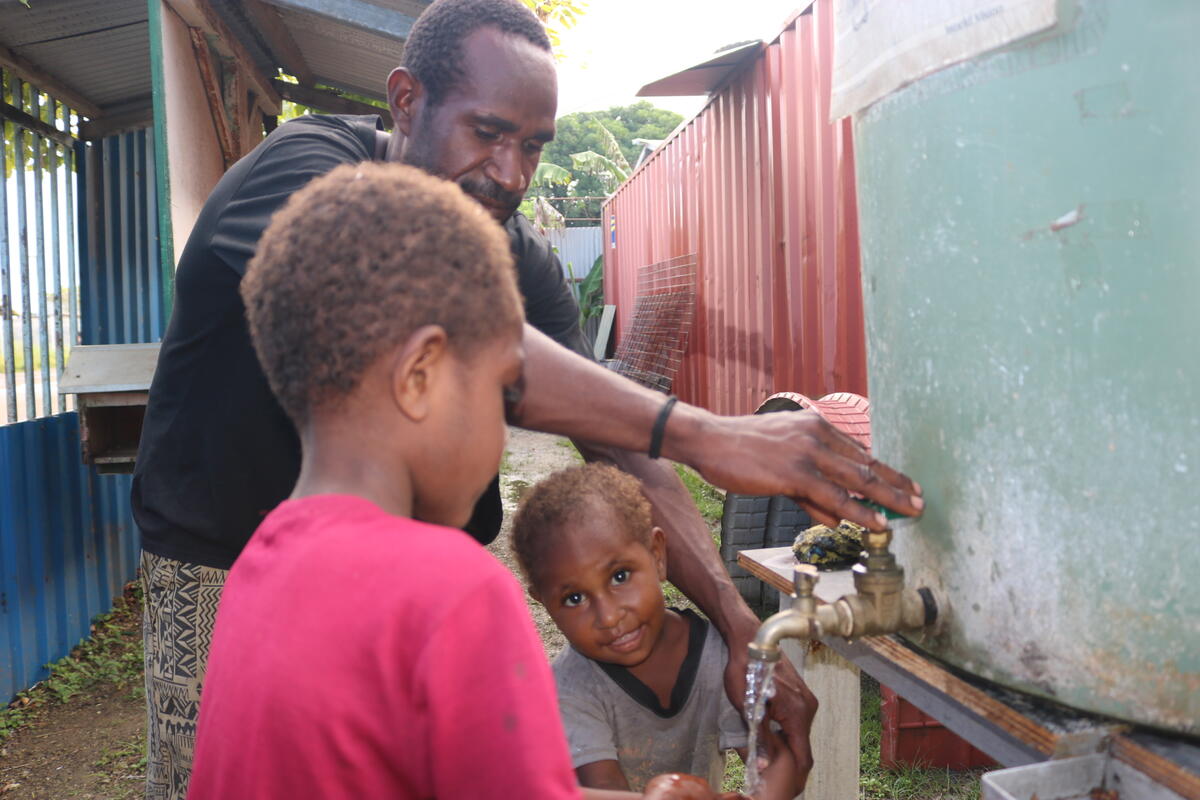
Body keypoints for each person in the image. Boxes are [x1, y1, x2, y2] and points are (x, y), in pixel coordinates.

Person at [133, 0, 923, 795]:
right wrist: (700, 432)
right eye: (487, 133)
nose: (512, 174)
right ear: (407, 101)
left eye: (535, 146)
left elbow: (617, 445)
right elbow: (422, 309)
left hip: (366, 575)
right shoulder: (310, 174)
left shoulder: (506, 253)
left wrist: (736, 619)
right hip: (223, 562)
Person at [188, 161, 758, 800]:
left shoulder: (259, 565)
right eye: (501, 393)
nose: (501, 432)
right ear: (420, 376)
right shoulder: (453, 589)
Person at [512, 463, 797, 799]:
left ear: (657, 555)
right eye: (574, 598)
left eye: (620, 577)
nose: (608, 616)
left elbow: (777, 762)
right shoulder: (569, 688)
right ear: (543, 603)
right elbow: (602, 788)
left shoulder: (719, 657)